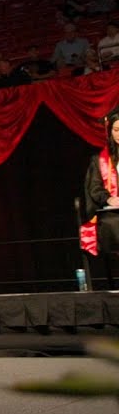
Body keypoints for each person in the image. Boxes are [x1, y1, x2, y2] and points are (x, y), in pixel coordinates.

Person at [83, 109, 119, 289]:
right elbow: (95, 188)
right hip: (113, 212)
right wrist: (109, 199)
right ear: (110, 132)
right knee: (112, 224)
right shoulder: (100, 160)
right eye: (116, 130)